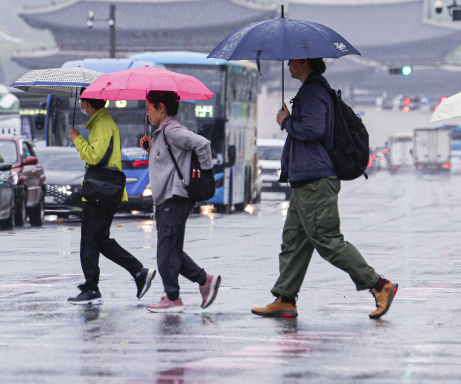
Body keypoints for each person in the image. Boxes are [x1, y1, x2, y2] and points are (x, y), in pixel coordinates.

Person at [252, 58, 396, 319]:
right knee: (293, 242)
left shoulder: (313, 92)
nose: (288, 64)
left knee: (327, 240)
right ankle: (285, 298)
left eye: (292, 61)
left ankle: (379, 285)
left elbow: (313, 129)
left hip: (315, 180)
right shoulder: (312, 91)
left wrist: (286, 121)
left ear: (304, 62)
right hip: (305, 180)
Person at [66, 94, 155, 305]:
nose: (80, 105)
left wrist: (77, 139)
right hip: (103, 191)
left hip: (100, 192)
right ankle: (137, 272)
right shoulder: (101, 123)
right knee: (100, 240)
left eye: (81, 101)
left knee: (90, 240)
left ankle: (93, 288)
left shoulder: (103, 124)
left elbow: (95, 156)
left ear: (87, 103)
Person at [139, 90, 221, 313]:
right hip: (167, 199)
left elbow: (203, 144)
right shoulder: (163, 132)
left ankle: (172, 297)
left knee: (166, 252)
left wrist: (205, 172)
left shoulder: (171, 129)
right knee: (171, 250)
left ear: (161, 108)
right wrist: (151, 148)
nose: (147, 113)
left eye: (149, 108)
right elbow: (167, 160)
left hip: (173, 198)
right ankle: (205, 281)